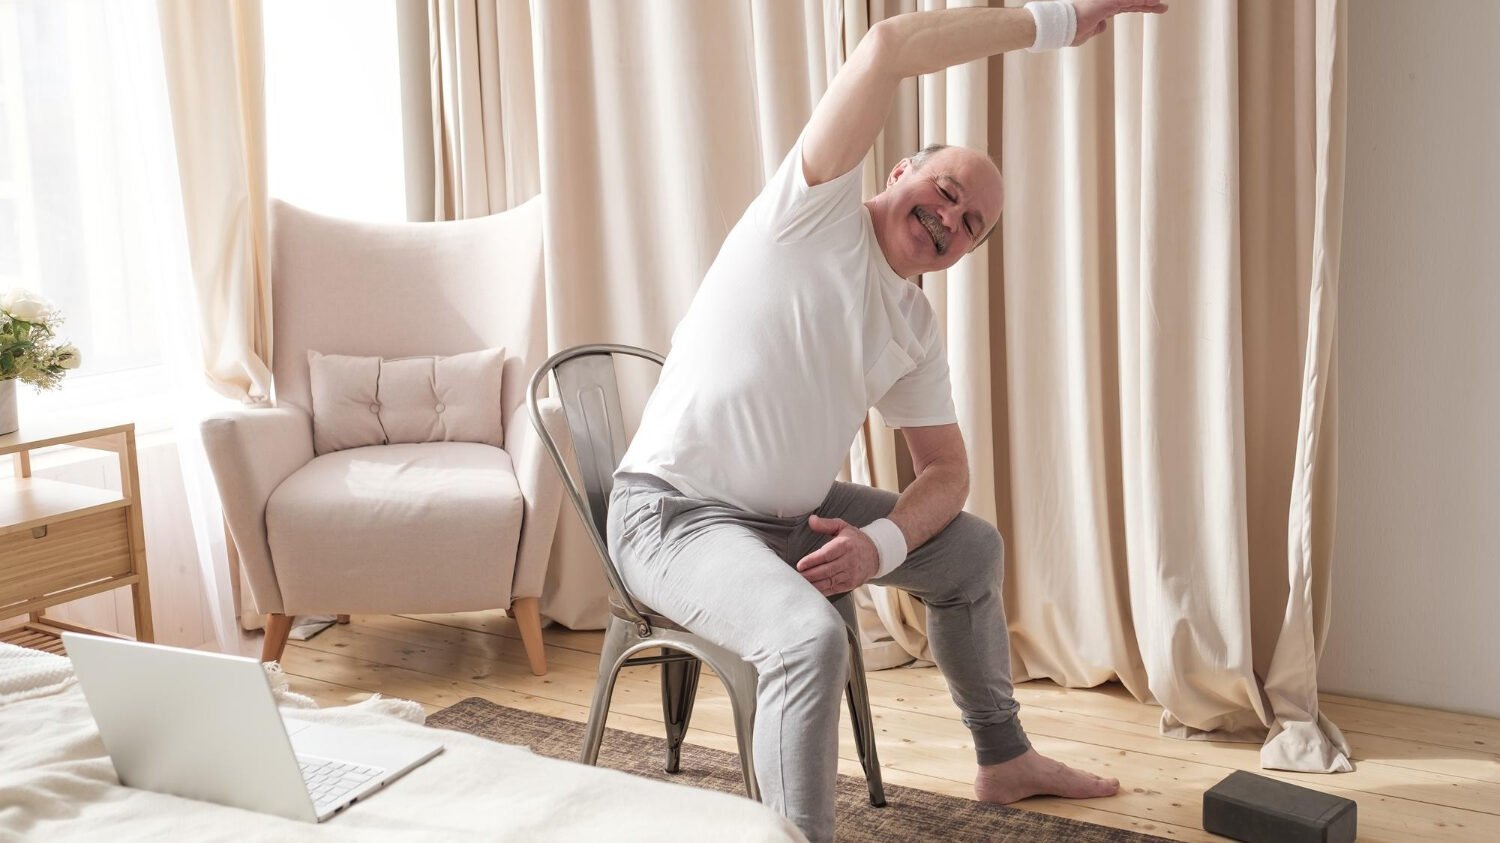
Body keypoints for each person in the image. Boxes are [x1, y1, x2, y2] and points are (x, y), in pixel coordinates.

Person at [607, 1, 1169, 840]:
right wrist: (1055, 21)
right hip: (672, 516)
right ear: (900, 168)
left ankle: (1003, 757)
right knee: (807, 642)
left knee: (971, 548)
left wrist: (882, 545)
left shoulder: (913, 322)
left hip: (784, 521)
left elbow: (948, 471)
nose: (950, 219)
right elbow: (888, 46)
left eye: (969, 225)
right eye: (946, 193)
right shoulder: (813, 208)